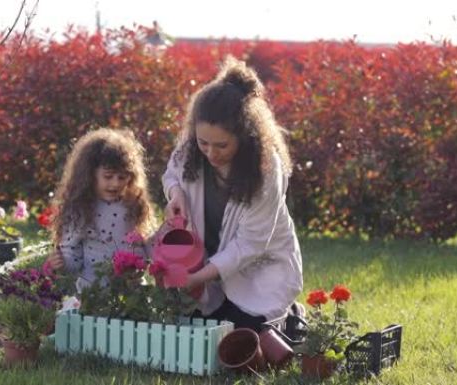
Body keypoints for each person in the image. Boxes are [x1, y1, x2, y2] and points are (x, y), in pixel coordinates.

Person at [162, 57, 303, 331]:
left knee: (238, 334)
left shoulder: (265, 169)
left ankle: (292, 314)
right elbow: (172, 173)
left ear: (246, 137)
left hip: (257, 268)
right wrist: (175, 192)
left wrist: (199, 277)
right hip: (210, 261)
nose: (211, 153)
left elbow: (249, 245)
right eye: (204, 143)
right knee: (197, 327)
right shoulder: (192, 148)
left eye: (222, 146)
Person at [46, 128, 156, 292]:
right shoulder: (80, 209)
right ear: (90, 175)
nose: (115, 184)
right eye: (108, 176)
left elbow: (146, 245)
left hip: (132, 293)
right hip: (94, 294)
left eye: (122, 177)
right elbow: (72, 259)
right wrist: (59, 262)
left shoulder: (133, 205)